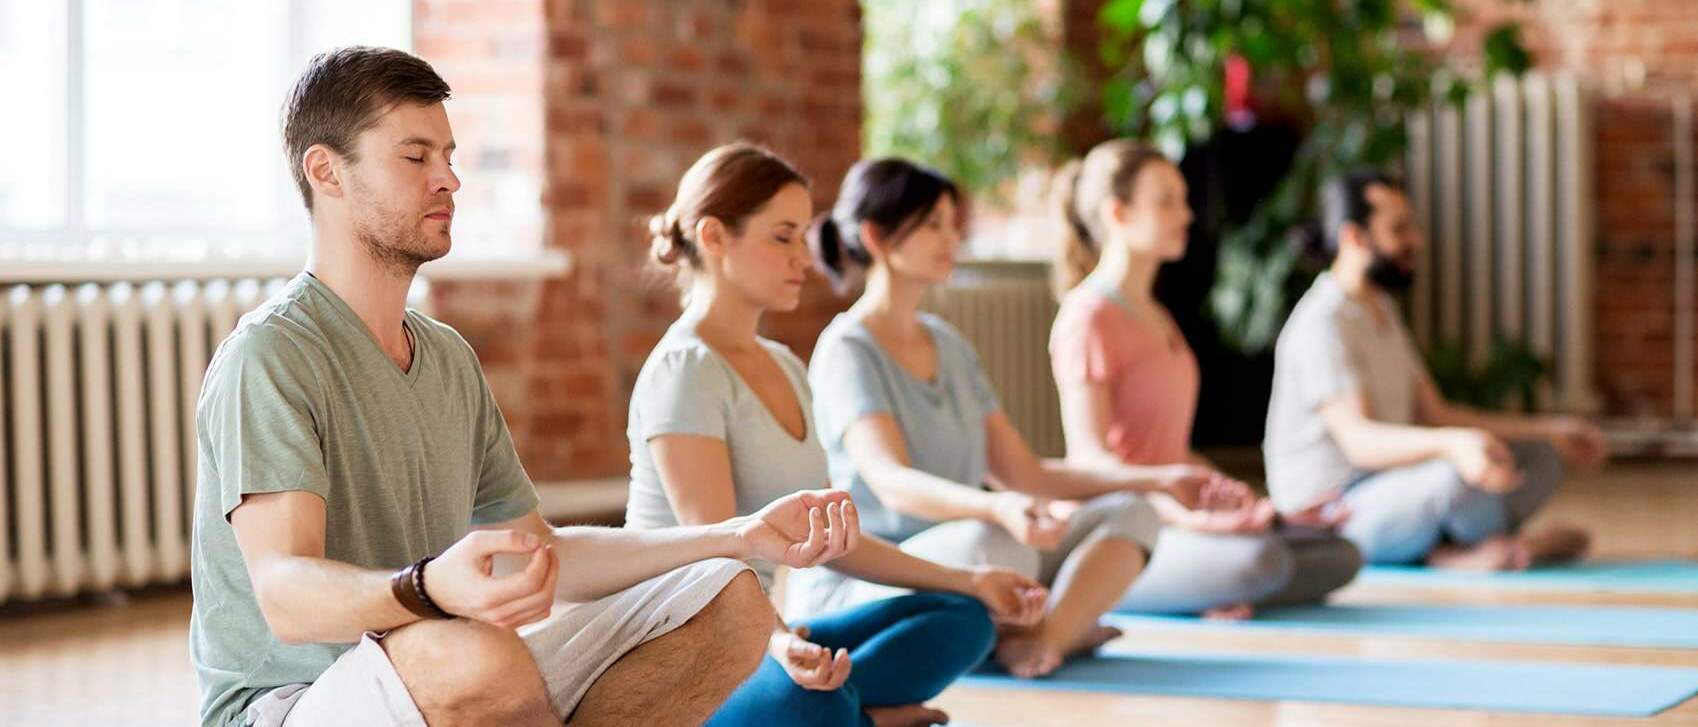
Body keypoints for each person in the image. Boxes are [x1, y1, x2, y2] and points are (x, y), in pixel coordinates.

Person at [189, 47, 851, 727]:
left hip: (444, 658)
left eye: (449, 155)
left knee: (729, 595)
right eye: (416, 157)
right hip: (295, 702)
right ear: (326, 171)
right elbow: (285, 594)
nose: (448, 178)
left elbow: (549, 552)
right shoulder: (271, 354)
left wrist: (738, 534)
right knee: (478, 656)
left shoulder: (446, 357)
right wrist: (427, 585)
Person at [625, 142, 1046, 727]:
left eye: (804, 235)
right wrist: (776, 642)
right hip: (677, 649)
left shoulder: (785, 365)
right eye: (782, 237)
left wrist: (970, 579)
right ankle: (861, 715)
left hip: (758, 636)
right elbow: (717, 557)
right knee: (807, 697)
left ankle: (847, 708)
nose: (804, 256)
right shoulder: (685, 369)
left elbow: (833, 536)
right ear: (715, 237)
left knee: (964, 617)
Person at [797, 157, 1246, 679]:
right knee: (996, 543)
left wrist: (1159, 481)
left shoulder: (950, 345)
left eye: (953, 222)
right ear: (876, 236)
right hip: (880, 570)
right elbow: (893, 483)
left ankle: (1044, 636)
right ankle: (1054, 627)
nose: (952, 237)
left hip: (971, 553)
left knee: (1131, 511)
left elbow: (1029, 475)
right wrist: (999, 509)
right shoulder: (847, 349)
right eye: (933, 225)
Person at [1049, 139, 1361, 618]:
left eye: (1184, 199)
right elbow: (1090, 460)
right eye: (1167, 201)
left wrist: (1256, 507)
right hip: (1124, 529)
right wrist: (1189, 521)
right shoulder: (1087, 317)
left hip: (1180, 520)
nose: (1187, 215)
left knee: (1339, 555)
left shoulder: (1156, 314)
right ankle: (1162, 584)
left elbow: (1172, 453)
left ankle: (1203, 581)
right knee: (1257, 561)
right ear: (1118, 213)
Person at [1264, 168, 1607, 570]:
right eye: (1399, 229)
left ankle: (1460, 549)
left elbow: (1437, 414)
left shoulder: (1381, 310)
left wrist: (1549, 429)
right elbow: (1359, 441)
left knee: (1542, 456)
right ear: (1354, 238)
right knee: (1452, 477)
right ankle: (1477, 550)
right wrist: (1454, 446)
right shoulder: (1322, 322)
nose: (1417, 240)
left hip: (1396, 485)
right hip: (1336, 513)